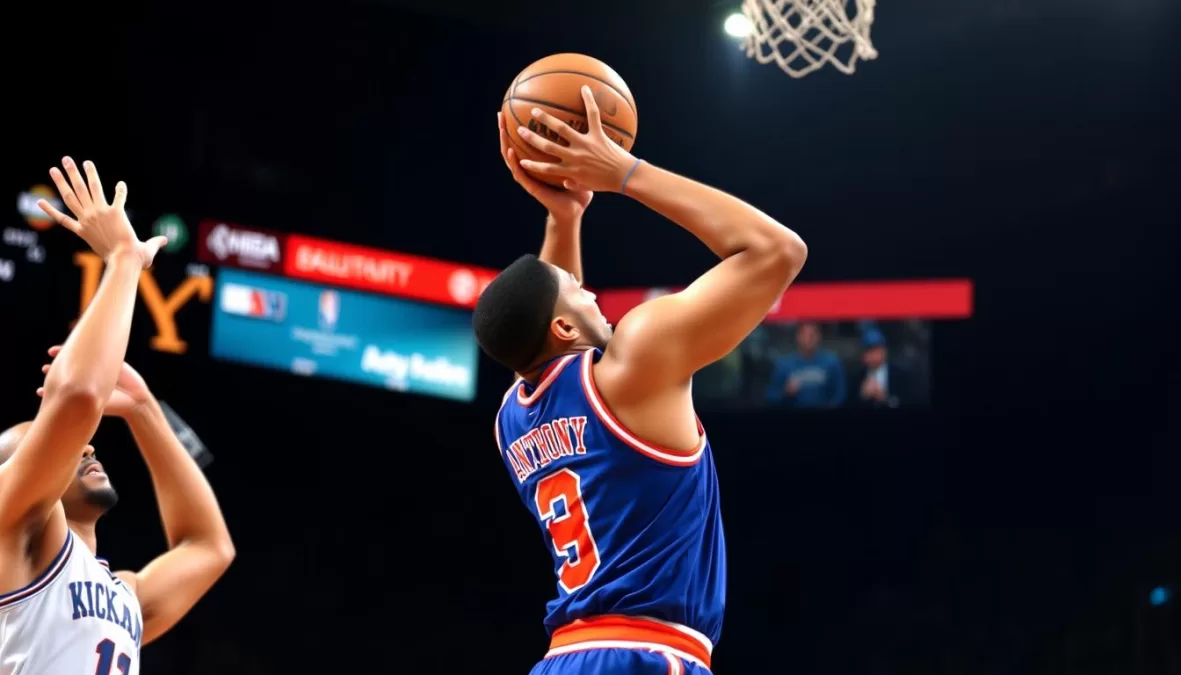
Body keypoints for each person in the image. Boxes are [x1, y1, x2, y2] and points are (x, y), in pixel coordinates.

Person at [478, 93, 807, 675]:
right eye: (579, 293)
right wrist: (624, 173)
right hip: (644, 656)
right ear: (559, 323)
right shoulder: (635, 360)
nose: (592, 291)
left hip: (563, 659)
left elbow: (545, 333)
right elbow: (777, 250)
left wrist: (566, 216)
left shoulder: (514, 420)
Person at [0, 158, 234, 675]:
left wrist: (146, 409)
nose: (85, 446)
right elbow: (78, 398)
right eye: (39, 446)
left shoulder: (121, 595)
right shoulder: (11, 530)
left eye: (82, 443)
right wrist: (124, 260)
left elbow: (209, 548)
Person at [763, 322, 847, 408]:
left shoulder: (832, 362)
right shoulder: (783, 364)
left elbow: (840, 396)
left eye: (812, 334)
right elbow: (771, 397)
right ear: (797, 337)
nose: (808, 339)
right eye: (804, 334)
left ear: (819, 336)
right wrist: (785, 392)